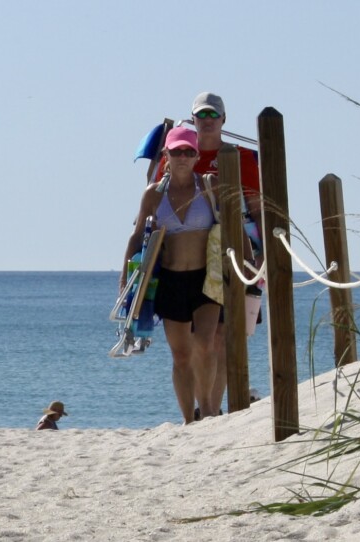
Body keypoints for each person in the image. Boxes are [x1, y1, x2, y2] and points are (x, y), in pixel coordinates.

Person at [119, 126, 221, 423]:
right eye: (176, 151)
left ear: (197, 155)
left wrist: (248, 265)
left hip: (206, 279)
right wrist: (125, 279)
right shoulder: (154, 194)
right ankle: (189, 420)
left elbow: (229, 227)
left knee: (205, 342)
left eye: (189, 152)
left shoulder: (209, 186)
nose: (182, 157)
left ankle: (209, 410)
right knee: (181, 356)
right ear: (166, 154)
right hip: (171, 281)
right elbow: (137, 236)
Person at [190, 92, 264, 413]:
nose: (207, 122)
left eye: (213, 116)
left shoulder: (241, 157)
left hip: (235, 249)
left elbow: (257, 208)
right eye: (201, 116)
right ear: (193, 119)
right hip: (191, 254)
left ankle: (211, 410)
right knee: (198, 340)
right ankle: (203, 404)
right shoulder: (180, 151)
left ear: (223, 119)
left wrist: (263, 252)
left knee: (225, 334)